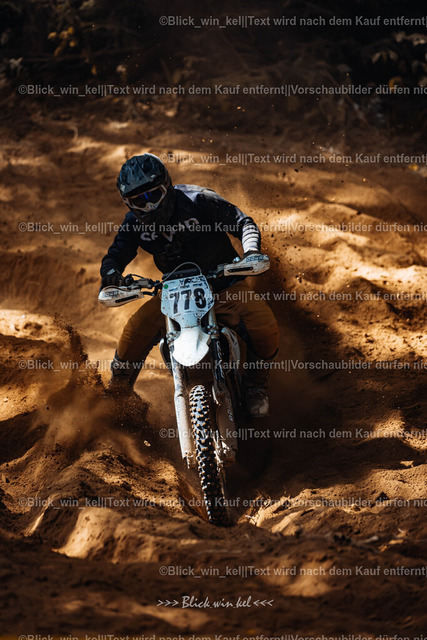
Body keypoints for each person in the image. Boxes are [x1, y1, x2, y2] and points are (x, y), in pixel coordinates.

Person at [100, 153, 279, 417]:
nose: (148, 205)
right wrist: (112, 276)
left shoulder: (199, 200)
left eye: (153, 195)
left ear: (167, 186)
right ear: (128, 203)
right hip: (174, 295)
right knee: (134, 331)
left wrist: (251, 252)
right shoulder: (133, 224)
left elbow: (243, 223)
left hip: (222, 285)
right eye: (139, 200)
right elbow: (114, 257)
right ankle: (118, 396)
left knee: (263, 322)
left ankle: (256, 384)